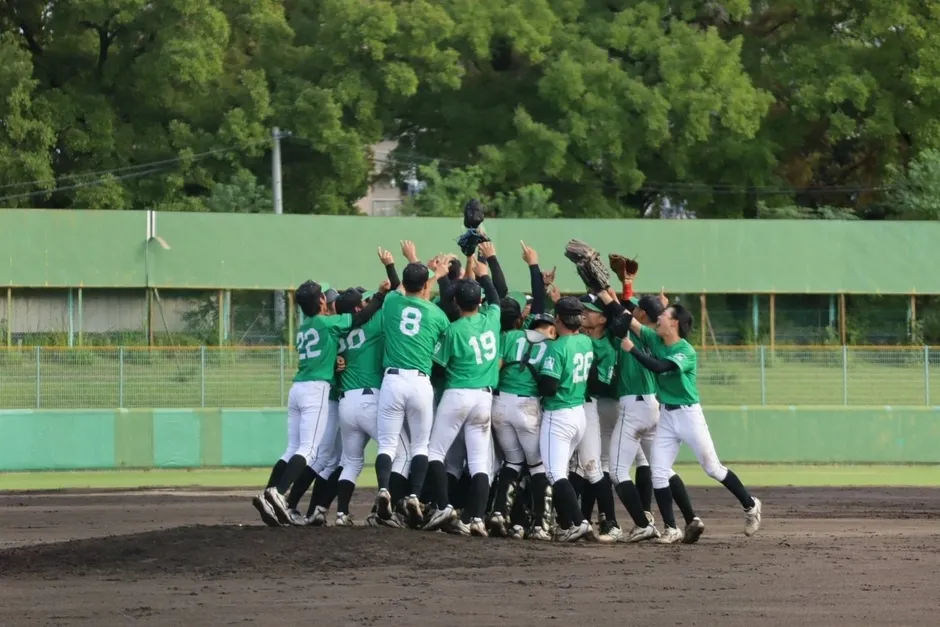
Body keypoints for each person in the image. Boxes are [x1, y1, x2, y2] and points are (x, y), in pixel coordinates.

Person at [598, 289, 763, 543]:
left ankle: (750, 504)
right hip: (666, 415)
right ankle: (671, 529)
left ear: (674, 322)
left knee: (712, 468)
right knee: (659, 472)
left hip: (688, 416)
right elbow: (627, 317)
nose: (659, 318)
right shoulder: (655, 339)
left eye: (664, 315)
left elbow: (660, 366)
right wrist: (603, 291)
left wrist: (632, 350)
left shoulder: (685, 351)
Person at [255, 279, 388, 525]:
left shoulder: (304, 328)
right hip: (316, 390)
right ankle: (278, 494)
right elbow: (358, 319)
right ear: (322, 301)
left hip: (298, 387)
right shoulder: (328, 323)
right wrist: (380, 296)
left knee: (293, 448)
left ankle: (269, 492)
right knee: (310, 450)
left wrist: (335, 359)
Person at [423, 256, 502, 536]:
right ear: (479, 302)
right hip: (484, 397)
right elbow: (496, 299)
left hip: (457, 394)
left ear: (456, 304)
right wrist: (484, 274)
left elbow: (437, 366)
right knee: (481, 463)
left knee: (434, 452)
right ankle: (476, 519)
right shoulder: (492, 319)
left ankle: (444, 505)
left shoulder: (453, 330)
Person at [373, 253, 452, 527]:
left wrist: (398, 265)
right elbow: (437, 325)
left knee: (387, 444)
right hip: (421, 382)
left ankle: (384, 488)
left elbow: (401, 290)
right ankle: (414, 496)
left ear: (404, 283)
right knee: (421, 445)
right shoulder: (437, 315)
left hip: (392, 381)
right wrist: (439, 275)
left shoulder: (392, 301)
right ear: (424, 286)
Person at [537, 296, 596, 542]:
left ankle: (579, 522)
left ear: (558, 319)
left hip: (558, 415)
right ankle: (566, 523)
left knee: (554, 474)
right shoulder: (585, 341)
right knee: (561, 471)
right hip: (578, 414)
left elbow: (549, 387)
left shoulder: (556, 347)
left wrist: (535, 373)